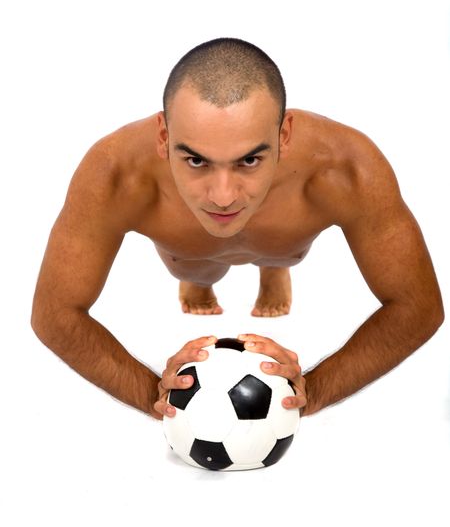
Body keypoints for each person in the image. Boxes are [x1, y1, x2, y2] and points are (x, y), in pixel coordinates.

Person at [30, 37, 444, 421]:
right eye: (196, 161)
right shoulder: (115, 173)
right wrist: (153, 392)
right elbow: (54, 315)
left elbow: (418, 307)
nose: (223, 195)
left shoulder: (346, 167)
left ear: (283, 137)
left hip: (282, 242)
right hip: (192, 254)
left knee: (280, 248)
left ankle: (274, 267)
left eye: (249, 161)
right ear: (163, 136)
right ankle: (200, 278)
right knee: (194, 265)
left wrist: (313, 391)